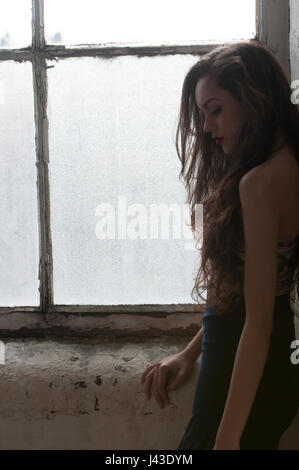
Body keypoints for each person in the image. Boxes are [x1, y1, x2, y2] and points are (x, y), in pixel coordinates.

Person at [140, 40, 299, 450]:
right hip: (247, 356)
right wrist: (191, 353)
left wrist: (226, 441)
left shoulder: (260, 183)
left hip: (244, 369)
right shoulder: (280, 165)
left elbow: (256, 322)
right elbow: (240, 294)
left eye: (215, 109)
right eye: (201, 114)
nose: (207, 128)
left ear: (252, 100)